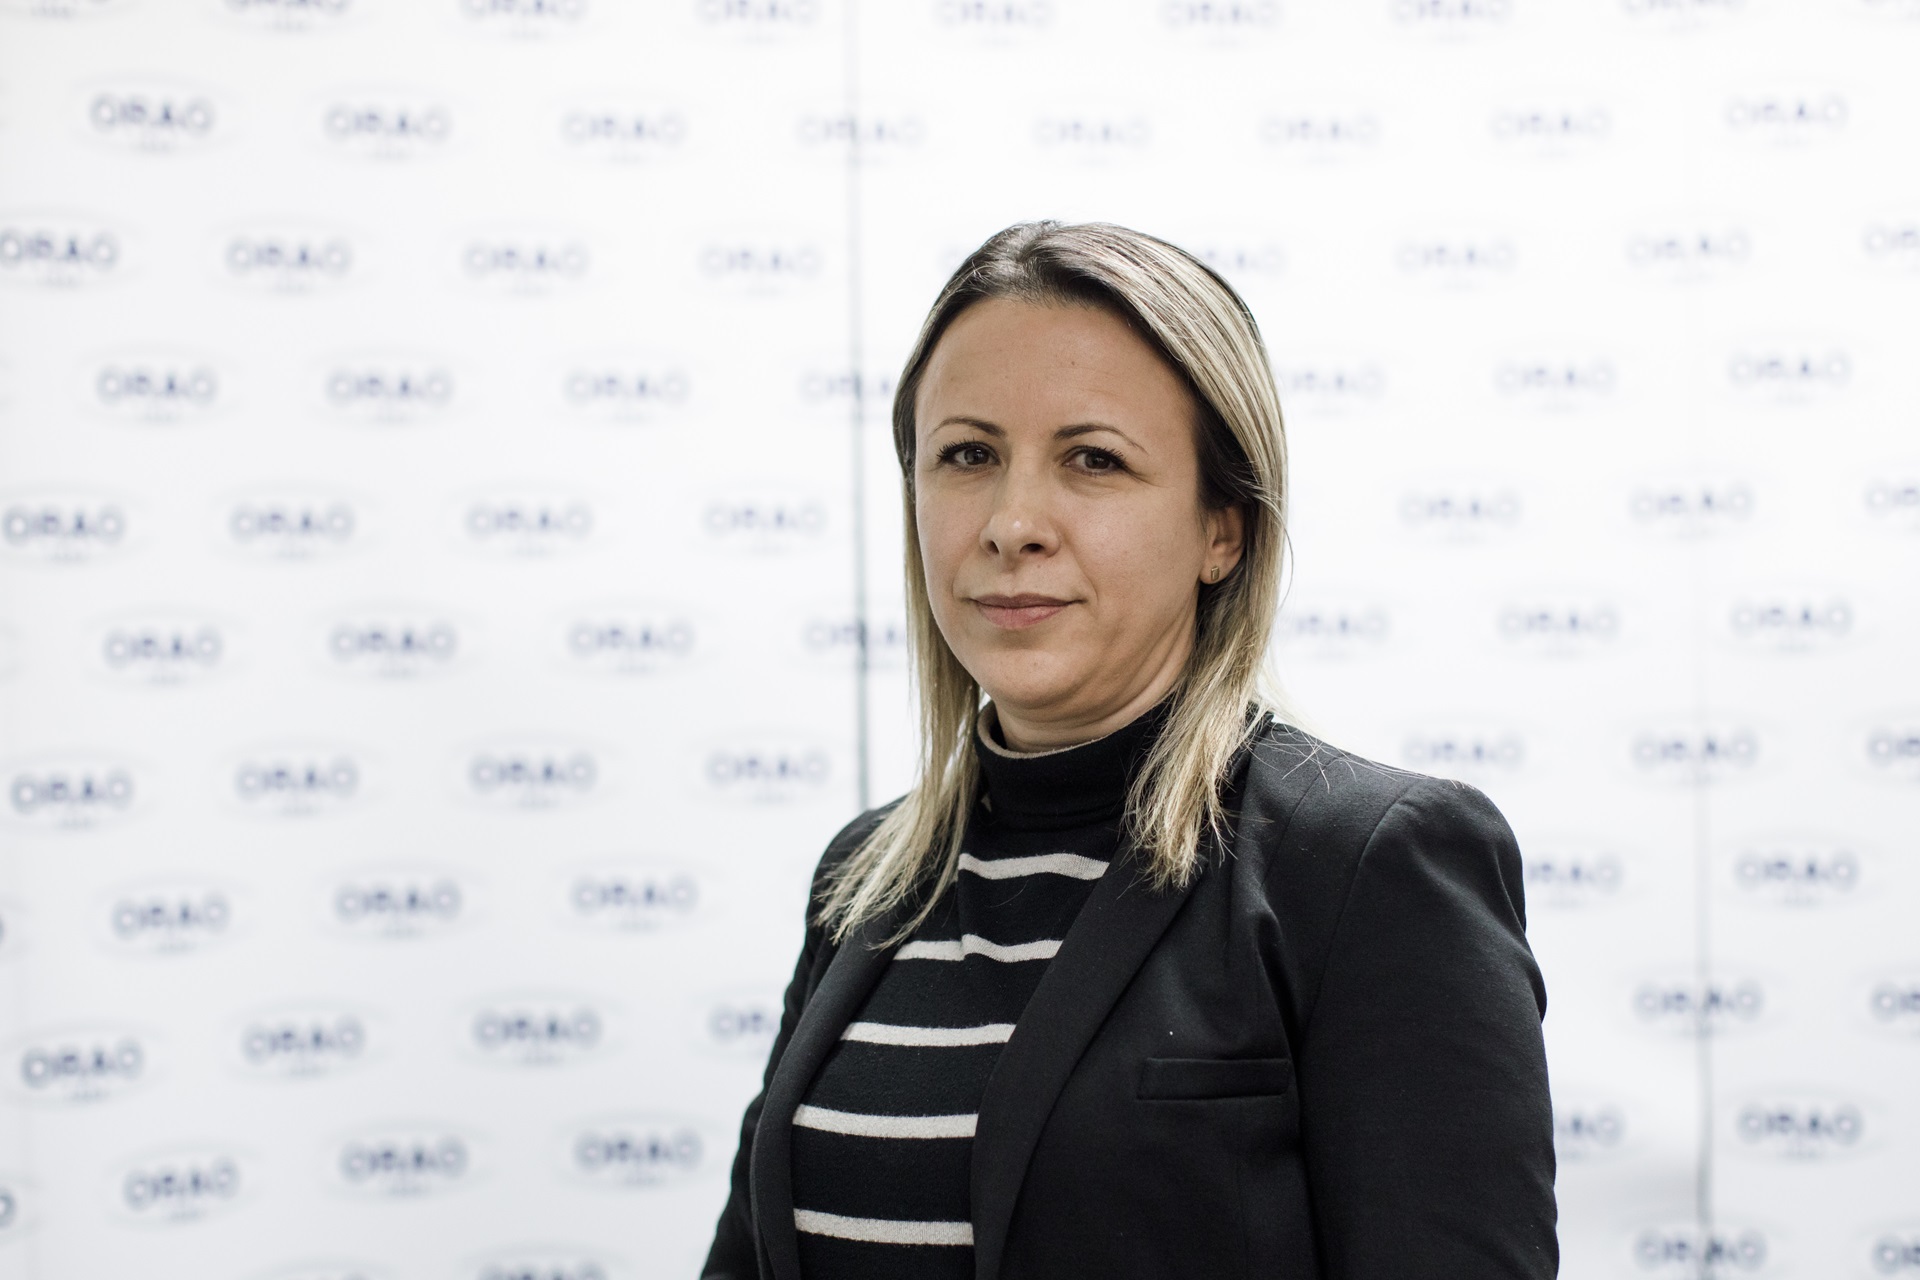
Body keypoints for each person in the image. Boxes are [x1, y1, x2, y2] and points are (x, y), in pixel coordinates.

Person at [701, 221, 1556, 1280]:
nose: (1012, 523)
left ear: (1222, 528)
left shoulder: (1365, 866)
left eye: (1093, 460)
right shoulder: (868, 876)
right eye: (967, 455)